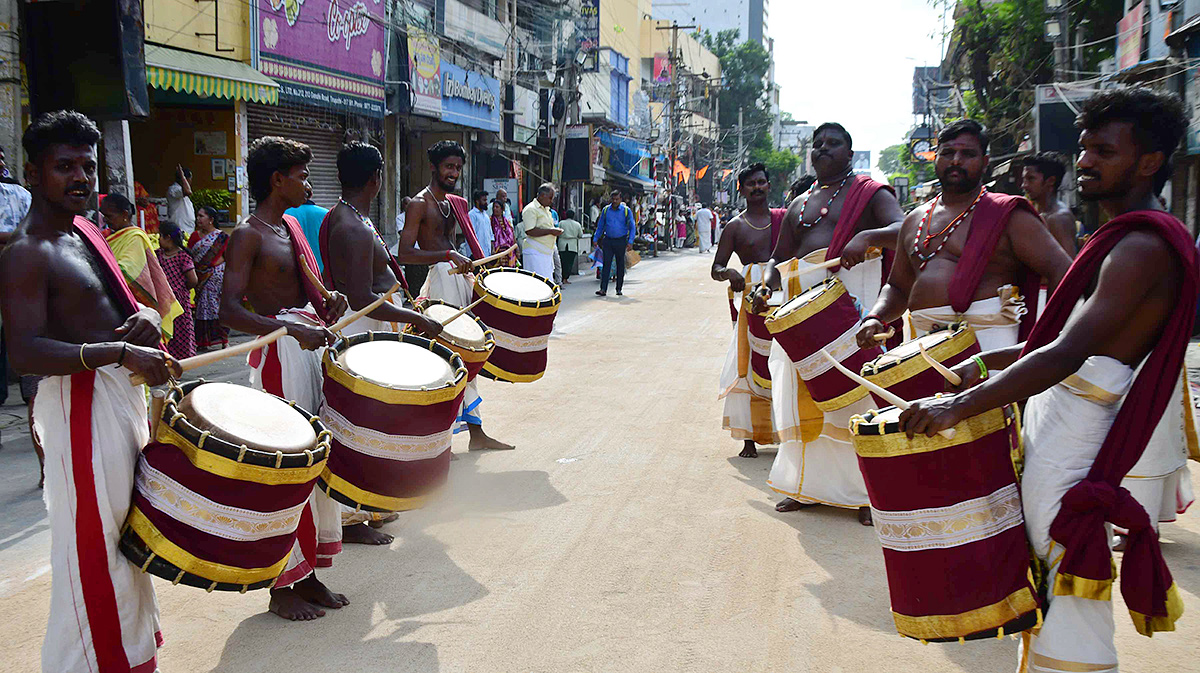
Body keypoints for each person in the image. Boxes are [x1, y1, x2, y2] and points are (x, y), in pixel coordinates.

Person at [899, 88, 1194, 673]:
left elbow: (1065, 353)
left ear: (1148, 162)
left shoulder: (1139, 247)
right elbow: (1054, 345)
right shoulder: (1121, 239)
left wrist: (961, 404)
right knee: (1046, 566)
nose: (1084, 163)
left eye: (1103, 152)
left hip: (1080, 429)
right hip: (1063, 418)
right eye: (1084, 149)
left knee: (1064, 563)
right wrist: (982, 365)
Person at [1, 109, 179, 673]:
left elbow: (124, 307)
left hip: (115, 398)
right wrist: (122, 353)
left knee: (126, 542)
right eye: (64, 167)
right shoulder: (27, 253)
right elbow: (24, 352)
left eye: (87, 164)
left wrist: (145, 320)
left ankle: (129, 656)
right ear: (33, 173)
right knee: (94, 553)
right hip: (77, 406)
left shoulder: (85, 231)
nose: (80, 177)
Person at [220, 135, 350, 621]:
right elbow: (229, 309)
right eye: (300, 175)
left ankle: (308, 574)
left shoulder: (291, 227)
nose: (308, 183)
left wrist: (327, 303)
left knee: (318, 463)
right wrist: (287, 327)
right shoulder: (247, 234)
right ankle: (281, 585)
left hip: (308, 345)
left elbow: (310, 293)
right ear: (277, 180)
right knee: (288, 466)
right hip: (278, 355)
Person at [751, 122, 908, 523]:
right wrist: (767, 284)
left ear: (850, 154)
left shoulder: (870, 193)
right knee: (797, 392)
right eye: (817, 144)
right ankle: (807, 486)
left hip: (848, 304)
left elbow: (904, 228)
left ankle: (865, 493)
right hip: (799, 307)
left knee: (856, 393)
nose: (823, 149)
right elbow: (778, 257)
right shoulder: (799, 202)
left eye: (833, 143)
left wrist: (867, 236)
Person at [855, 119, 1072, 352]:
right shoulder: (915, 219)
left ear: (985, 162)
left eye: (968, 154)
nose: (956, 160)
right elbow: (897, 287)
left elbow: (1063, 271)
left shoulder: (1008, 214)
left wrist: (1049, 337)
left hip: (988, 345)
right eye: (947, 153)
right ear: (936, 158)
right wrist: (875, 317)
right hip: (920, 347)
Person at [319, 142, 443, 546]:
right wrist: (416, 317)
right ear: (377, 178)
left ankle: (367, 506)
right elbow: (358, 298)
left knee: (371, 424)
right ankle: (352, 517)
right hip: (359, 334)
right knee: (359, 425)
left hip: (369, 329)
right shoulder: (351, 226)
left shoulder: (348, 216)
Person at [397, 140, 514, 451]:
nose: (454, 173)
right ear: (434, 167)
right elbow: (405, 253)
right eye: (449, 167)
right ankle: (440, 441)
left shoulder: (453, 203)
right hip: (439, 283)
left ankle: (476, 434)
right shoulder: (419, 203)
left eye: (458, 168)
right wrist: (448, 253)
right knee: (447, 359)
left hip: (458, 279)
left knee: (470, 353)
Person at [712, 163, 787, 459]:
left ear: (768, 185)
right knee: (747, 363)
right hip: (748, 304)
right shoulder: (735, 226)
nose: (756, 187)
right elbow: (715, 268)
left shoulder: (784, 220)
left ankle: (787, 432)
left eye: (761, 182)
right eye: (750, 184)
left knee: (784, 362)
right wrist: (730, 274)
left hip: (781, 297)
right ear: (741, 189)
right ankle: (749, 438)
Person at [101, 192, 184, 343]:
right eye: (103, 216)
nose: (106, 220)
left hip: (130, 303)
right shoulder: (109, 235)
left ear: (125, 214)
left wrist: (99, 272)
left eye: (109, 216)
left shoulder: (135, 237)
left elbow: (127, 271)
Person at [155, 221, 197, 360]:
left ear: (168, 238)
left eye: (160, 236)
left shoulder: (183, 256)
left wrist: (180, 289)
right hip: (163, 299)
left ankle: (183, 360)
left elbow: (193, 280)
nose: (159, 240)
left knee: (181, 329)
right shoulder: (158, 255)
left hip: (179, 300)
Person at [1022, 152, 1078, 257]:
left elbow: (1068, 267)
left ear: (1051, 181)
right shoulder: (1035, 211)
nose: (1024, 185)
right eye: (1024, 179)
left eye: (1030, 179)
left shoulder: (1059, 218)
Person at [190, 205, 229, 351]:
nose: (198, 219)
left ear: (211, 220)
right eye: (198, 216)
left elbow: (228, 257)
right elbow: (191, 257)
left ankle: (223, 339)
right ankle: (204, 341)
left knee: (215, 306)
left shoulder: (221, 237)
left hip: (216, 276)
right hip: (200, 276)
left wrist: (212, 267)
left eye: (202, 216)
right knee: (202, 308)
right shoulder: (195, 236)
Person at [593, 189, 636, 297]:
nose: (615, 201)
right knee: (606, 264)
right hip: (608, 240)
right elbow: (601, 226)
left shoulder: (626, 211)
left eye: (617, 199)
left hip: (621, 240)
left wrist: (630, 241)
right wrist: (596, 238)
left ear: (620, 199)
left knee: (620, 265)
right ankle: (603, 289)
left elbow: (632, 227)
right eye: (613, 199)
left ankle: (619, 288)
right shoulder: (606, 210)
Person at [520, 183, 562, 279]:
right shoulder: (531, 209)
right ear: (542, 196)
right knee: (537, 283)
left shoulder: (546, 209)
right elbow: (530, 231)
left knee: (547, 283)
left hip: (546, 252)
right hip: (535, 252)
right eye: (550, 198)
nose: (551, 201)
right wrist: (550, 231)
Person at [285, 185, 329, 272]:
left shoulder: (284, 215)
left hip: (294, 275)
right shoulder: (327, 215)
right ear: (311, 194)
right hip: (322, 276)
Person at [165, 165, 195, 238]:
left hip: (188, 228)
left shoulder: (180, 191)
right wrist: (182, 176)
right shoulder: (174, 189)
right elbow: (188, 191)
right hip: (181, 228)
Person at [557, 208, 583, 283]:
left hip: (562, 244)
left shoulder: (561, 223)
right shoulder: (577, 224)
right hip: (572, 245)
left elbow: (557, 232)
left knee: (562, 262)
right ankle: (566, 278)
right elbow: (580, 235)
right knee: (569, 262)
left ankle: (562, 277)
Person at [491, 198, 518, 266]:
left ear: (502, 209)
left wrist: (516, 249)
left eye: (497, 207)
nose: (495, 209)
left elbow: (512, 235)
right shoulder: (490, 221)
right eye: (494, 207)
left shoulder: (507, 222)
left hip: (509, 250)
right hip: (497, 251)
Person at [469, 189, 494, 257]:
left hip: (487, 253)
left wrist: (492, 249)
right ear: (477, 201)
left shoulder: (486, 215)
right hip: (476, 254)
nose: (486, 202)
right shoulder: (472, 215)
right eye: (484, 200)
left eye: (486, 200)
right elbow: (472, 236)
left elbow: (490, 234)